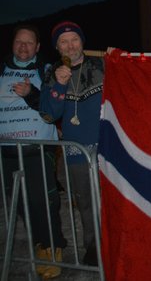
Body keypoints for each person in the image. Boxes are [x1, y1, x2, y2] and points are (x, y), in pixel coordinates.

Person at [0, 24, 67, 279]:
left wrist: (31, 94)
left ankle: (52, 248)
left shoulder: (47, 71)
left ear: (38, 47)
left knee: (43, 201)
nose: (24, 47)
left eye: (29, 43)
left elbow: (52, 107)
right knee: (20, 204)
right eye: (19, 42)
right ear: (13, 44)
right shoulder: (2, 70)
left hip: (38, 148)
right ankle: (40, 243)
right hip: (6, 150)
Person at [40, 21, 103, 266]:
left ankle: (117, 241)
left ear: (82, 42)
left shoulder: (100, 66)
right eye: (63, 42)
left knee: (112, 199)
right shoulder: (52, 73)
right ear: (57, 47)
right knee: (85, 202)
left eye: (74, 39)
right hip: (77, 151)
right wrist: (59, 84)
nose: (70, 45)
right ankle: (93, 246)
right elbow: (49, 114)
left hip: (108, 147)